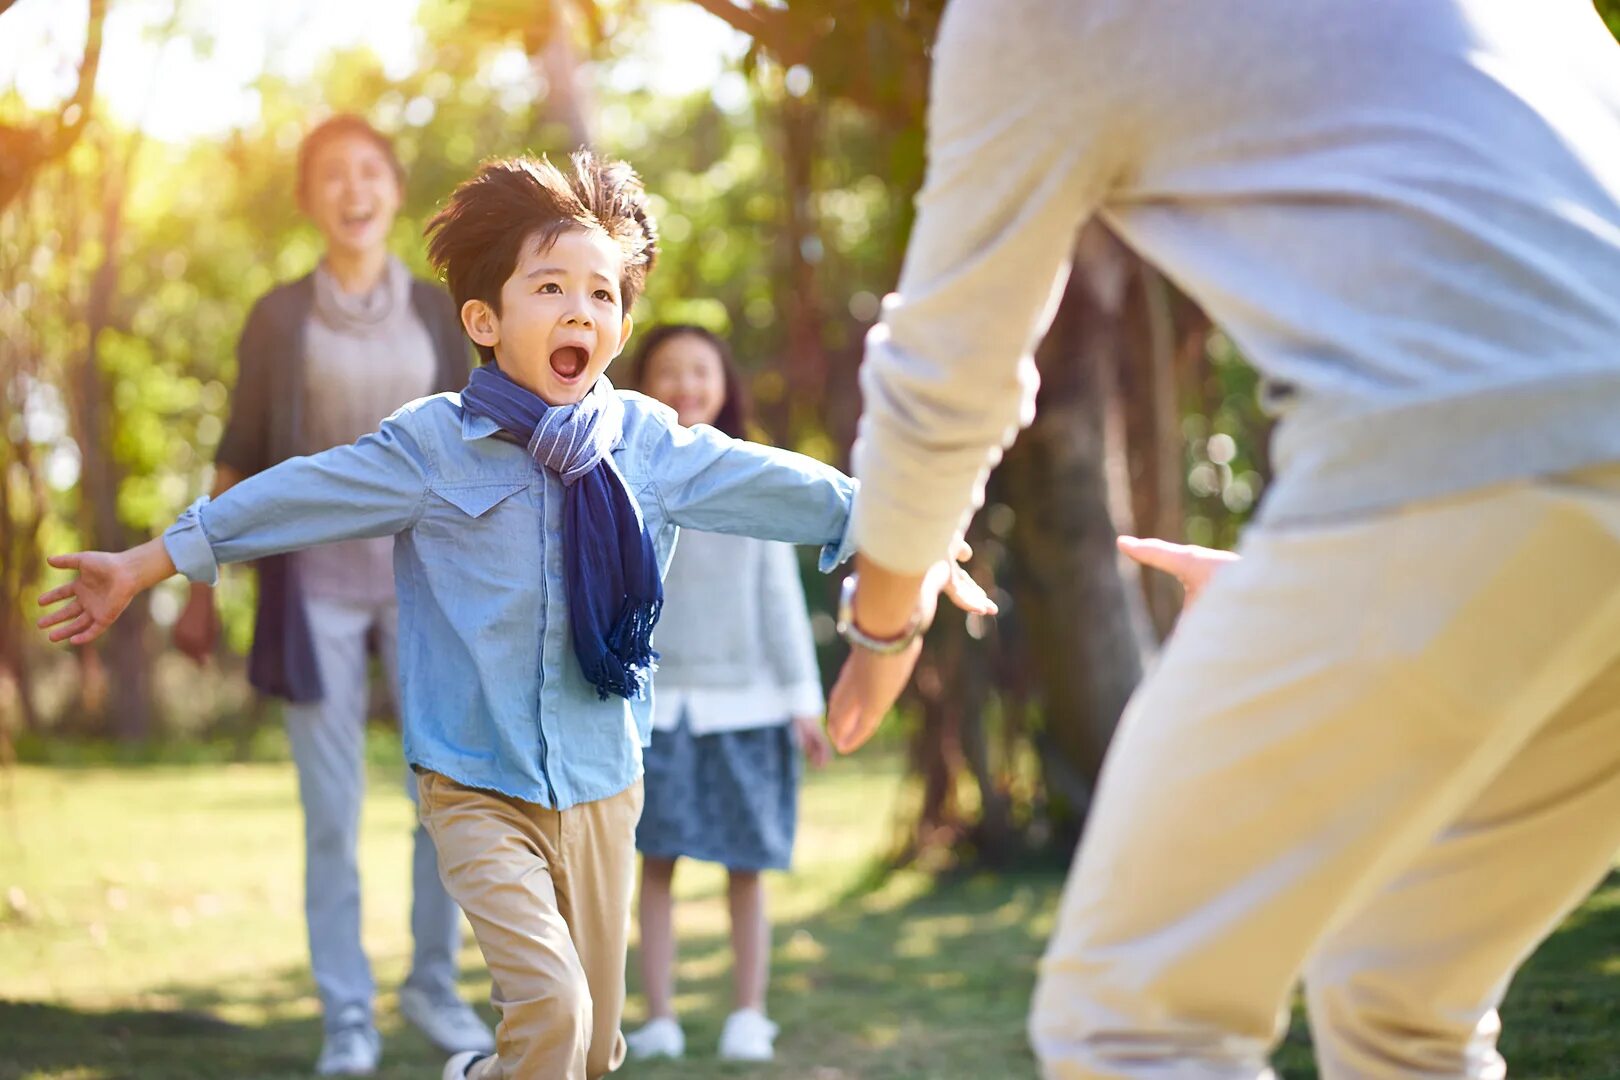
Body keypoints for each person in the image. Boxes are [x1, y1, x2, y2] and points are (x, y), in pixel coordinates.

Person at [38, 149, 992, 1080]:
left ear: (620, 325)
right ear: (485, 319)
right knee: (552, 1007)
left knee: (590, 1049)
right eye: (551, 288)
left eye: (603, 293)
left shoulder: (647, 445)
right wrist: (148, 562)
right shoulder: (432, 447)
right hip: (474, 778)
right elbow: (295, 496)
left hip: (603, 780)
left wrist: (907, 529)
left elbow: (780, 487)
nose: (581, 306)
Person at [822, 1, 1620, 1077]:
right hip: (1487, 494)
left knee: (1137, 1022)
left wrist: (885, 623)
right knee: (1403, 1001)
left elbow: (945, 372)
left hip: (1455, 467)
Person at [168, 113, 488, 1075]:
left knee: (445, 791)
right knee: (331, 809)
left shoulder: (440, 310)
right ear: (310, 199)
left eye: (370, 173)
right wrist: (195, 574)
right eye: (332, 177)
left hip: (427, 583)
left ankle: (434, 982)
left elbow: (485, 436)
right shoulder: (279, 315)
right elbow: (239, 449)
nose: (353, 190)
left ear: (395, 191)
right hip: (312, 590)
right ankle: (347, 1013)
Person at [621, 325, 833, 1064]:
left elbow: (779, 598)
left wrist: (802, 701)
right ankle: (659, 1019)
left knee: (747, 868)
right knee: (654, 865)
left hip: (747, 704)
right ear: (639, 384)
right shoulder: (615, 476)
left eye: (699, 371)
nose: (684, 385)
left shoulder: (752, 475)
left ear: (724, 384)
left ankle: (749, 1014)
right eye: (667, 371)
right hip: (655, 710)